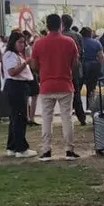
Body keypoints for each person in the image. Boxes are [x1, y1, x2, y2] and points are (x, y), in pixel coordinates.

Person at [30, 14, 80, 161]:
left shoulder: (39, 43)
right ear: (60, 25)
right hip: (65, 84)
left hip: (46, 85)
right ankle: (69, 150)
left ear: (47, 26)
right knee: (67, 118)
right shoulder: (69, 42)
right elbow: (75, 64)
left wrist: (42, 71)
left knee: (46, 118)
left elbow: (34, 65)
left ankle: (46, 150)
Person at [2, 31, 36, 158]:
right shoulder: (10, 55)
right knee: (19, 118)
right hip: (16, 86)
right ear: (13, 42)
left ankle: (12, 146)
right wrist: (25, 63)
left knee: (15, 118)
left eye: (23, 42)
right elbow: (12, 72)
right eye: (20, 42)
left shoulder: (15, 55)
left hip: (19, 86)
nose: (23, 45)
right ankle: (21, 148)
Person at [61, 15, 85, 125]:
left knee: (63, 95)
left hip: (63, 68)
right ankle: (81, 117)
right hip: (75, 68)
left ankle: (67, 117)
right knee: (76, 93)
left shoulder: (60, 36)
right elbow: (82, 52)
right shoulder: (77, 35)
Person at [80, 27, 104, 113]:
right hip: (93, 67)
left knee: (78, 88)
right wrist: (101, 68)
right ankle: (89, 107)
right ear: (90, 34)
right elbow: (101, 56)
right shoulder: (96, 42)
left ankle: (77, 108)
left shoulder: (79, 42)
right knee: (91, 88)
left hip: (81, 66)